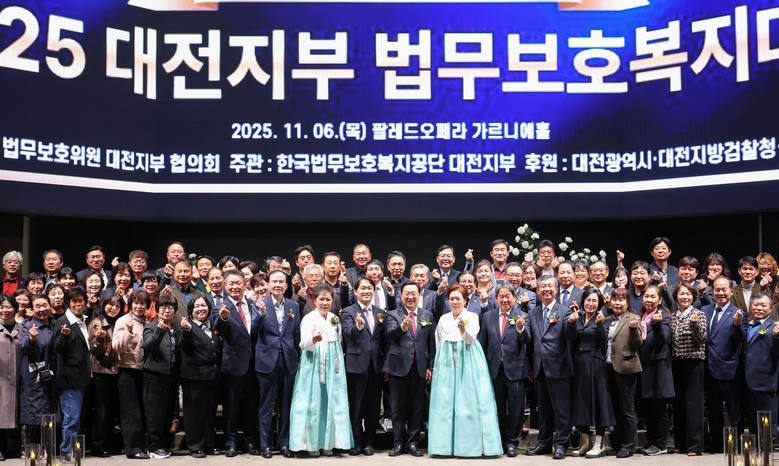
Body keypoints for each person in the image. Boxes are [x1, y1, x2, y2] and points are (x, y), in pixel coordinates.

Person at [428, 284, 502, 457]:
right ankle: (443, 446)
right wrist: (438, 364)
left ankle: (469, 446)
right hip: (446, 360)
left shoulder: (472, 317)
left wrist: (463, 330)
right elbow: (439, 341)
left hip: (468, 358)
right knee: (445, 402)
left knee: (468, 402)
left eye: (458, 299)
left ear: (465, 301)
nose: (455, 302)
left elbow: (471, 339)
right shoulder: (444, 318)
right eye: (452, 299)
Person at [289, 284, 353, 456]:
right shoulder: (309, 318)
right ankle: (311, 444)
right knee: (312, 403)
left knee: (332, 401)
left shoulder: (334, 318)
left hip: (333, 365)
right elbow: (303, 344)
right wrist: (314, 340)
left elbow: (339, 342)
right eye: (321, 299)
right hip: (313, 363)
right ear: (315, 300)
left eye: (328, 299)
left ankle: (329, 443)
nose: (325, 303)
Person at [525, 274, 576, 460]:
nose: (546, 289)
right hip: (539, 368)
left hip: (559, 367)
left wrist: (572, 323)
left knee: (562, 410)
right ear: (538, 291)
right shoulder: (532, 313)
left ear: (556, 290)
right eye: (543, 287)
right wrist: (521, 329)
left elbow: (570, 335)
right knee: (543, 410)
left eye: (550, 286)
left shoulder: (565, 311)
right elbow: (529, 340)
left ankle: (561, 444)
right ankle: (544, 443)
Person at [383, 281, 435, 457]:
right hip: (398, 368)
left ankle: (413, 443)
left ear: (419, 295)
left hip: (419, 368)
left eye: (414, 293)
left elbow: (431, 343)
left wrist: (430, 366)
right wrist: (403, 327)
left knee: (417, 408)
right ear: (401, 295)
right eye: (407, 293)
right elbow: (390, 335)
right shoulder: (393, 314)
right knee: (397, 408)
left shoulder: (427, 315)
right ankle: (398, 443)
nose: (411, 297)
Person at [478, 284, 530, 457]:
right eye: (501, 296)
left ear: (514, 298)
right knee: (497, 408)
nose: (505, 299)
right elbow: (482, 343)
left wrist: (521, 329)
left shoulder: (522, 315)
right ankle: (499, 440)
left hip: (515, 370)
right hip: (494, 370)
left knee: (516, 409)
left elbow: (527, 340)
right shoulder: (488, 316)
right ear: (496, 298)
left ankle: (512, 442)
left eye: (508, 296)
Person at [213, 269, 261, 457]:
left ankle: (250, 442)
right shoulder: (221, 307)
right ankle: (231, 443)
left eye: (238, 283)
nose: (234, 286)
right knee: (231, 407)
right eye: (231, 283)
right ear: (225, 286)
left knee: (251, 405)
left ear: (244, 284)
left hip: (254, 364)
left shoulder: (253, 304)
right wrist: (223, 318)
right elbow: (217, 329)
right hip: (233, 364)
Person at [257, 269, 301, 458]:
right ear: (268, 284)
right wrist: (259, 314)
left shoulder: (293, 306)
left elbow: (296, 334)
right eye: (274, 281)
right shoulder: (260, 303)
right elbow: (253, 330)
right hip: (266, 360)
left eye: (281, 282)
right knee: (266, 405)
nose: (277, 285)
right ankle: (265, 445)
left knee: (286, 405)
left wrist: (298, 358)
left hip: (288, 360)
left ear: (286, 285)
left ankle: (284, 443)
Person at [341, 278, 385, 456]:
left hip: (375, 366)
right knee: (356, 406)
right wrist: (357, 327)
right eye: (363, 288)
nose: (366, 291)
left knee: (373, 407)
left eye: (369, 288)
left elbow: (383, 340)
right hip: (356, 366)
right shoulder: (348, 311)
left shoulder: (380, 313)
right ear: (356, 291)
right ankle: (356, 441)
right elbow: (347, 333)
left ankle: (369, 442)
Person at [702, 277, 745, 452]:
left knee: (734, 409)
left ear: (731, 292)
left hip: (729, 369)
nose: (720, 293)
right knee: (713, 409)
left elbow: (740, 340)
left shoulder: (738, 313)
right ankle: (717, 443)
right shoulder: (705, 310)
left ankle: (735, 443)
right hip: (708, 368)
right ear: (712, 291)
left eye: (724, 289)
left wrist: (737, 325)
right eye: (717, 289)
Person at [570, 288, 614, 458]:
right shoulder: (578, 317)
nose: (591, 303)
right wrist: (571, 323)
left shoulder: (603, 318)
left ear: (599, 303)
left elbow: (605, 341)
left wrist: (599, 326)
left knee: (599, 401)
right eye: (588, 300)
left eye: (594, 301)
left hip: (595, 363)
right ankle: (585, 442)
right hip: (579, 363)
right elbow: (570, 338)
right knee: (581, 401)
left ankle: (599, 443)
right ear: (583, 301)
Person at [179, 296, 222, 458]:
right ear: (191, 310)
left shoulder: (213, 326)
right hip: (194, 377)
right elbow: (184, 344)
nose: (200, 309)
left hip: (212, 376)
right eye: (196, 306)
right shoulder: (187, 326)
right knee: (194, 413)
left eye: (203, 305)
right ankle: (195, 446)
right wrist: (186, 330)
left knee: (209, 412)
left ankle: (209, 444)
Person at [52, 286, 92, 460]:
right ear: (68, 303)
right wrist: (65, 336)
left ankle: (73, 449)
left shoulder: (83, 320)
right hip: (70, 378)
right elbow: (57, 348)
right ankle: (66, 450)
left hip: (84, 377)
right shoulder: (63, 322)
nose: (78, 304)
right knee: (72, 417)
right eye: (74, 301)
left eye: (80, 301)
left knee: (78, 417)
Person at [603, 287, 642, 458]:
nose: (617, 303)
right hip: (609, 367)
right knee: (615, 408)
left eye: (621, 300)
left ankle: (629, 445)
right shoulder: (608, 319)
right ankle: (617, 444)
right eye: (615, 300)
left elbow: (637, 344)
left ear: (627, 303)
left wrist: (633, 330)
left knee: (627, 409)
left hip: (626, 368)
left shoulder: (632, 318)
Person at [112, 289, 150, 459]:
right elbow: (116, 347)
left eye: (142, 303)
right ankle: (133, 448)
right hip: (127, 371)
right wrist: (128, 332)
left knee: (142, 411)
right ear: (130, 304)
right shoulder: (123, 320)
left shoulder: (147, 322)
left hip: (144, 371)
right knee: (131, 412)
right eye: (136, 303)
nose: (139, 306)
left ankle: (142, 446)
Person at [670, 283, 707, 456]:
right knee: (678, 405)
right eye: (681, 294)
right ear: (676, 297)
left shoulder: (699, 314)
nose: (685, 297)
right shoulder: (673, 316)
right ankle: (680, 443)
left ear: (693, 297)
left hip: (694, 363)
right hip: (676, 363)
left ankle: (695, 445)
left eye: (688, 294)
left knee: (694, 405)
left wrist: (694, 325)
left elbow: (702, 339)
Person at [637, 285, 674, 456]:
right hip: (645, 368)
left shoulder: (663, 316)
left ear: (659, 300)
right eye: (646, 296)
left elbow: (664, 339)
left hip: (658, 368)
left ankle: (660, 444)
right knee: (648, 409)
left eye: (653, 297)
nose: (649, 300)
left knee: (659, 408)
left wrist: (657, 325)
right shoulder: (642, 316)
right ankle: (651, 441)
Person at [142, 294, 180, 459]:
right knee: (155, 414)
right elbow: (148, 346)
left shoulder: (176, 328)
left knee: (168, 412)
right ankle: (154, 447)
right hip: (155, 376)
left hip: (172, 377)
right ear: (157, 310)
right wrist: (159, 331)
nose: (167, 310)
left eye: (170, 307)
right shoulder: (151, 326)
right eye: (163, 307)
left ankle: (163, 445)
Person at [19, 295, 57, 449]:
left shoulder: (55, 324)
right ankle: (30, 449)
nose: (42, 309)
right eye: (38, 306)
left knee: (50, 413)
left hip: (52, 377)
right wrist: (32, 340)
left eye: (45, 305)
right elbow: (23, 348)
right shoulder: (28, 326)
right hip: (34, 376)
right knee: (34, 413)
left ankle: (48, 449)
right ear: (32, 309)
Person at [88, 295, 124, 457]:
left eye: (117, 305)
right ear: (103, 305)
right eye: (110, 304)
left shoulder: (120, 322)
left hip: (118, 371)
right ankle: (98, 445)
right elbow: (94, 350)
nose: (113, 308)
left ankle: (110, 444)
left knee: (112, 410)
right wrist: (100, 339)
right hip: (102, 371)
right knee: (102, 410)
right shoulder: (97, 322)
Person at [742, 292, 779, 435]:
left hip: (766, 381)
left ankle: (767, 445)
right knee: (753, 422)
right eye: (756, 305)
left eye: (763, 305)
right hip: (746, 381)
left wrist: (777, 337)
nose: (759, 308)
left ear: (770, 308)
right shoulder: (747, 325)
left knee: (767, 423)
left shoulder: (774, 327)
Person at [0, 295, 20, 461]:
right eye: (1, 307)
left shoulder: (23, 328)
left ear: (15, 309)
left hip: (19, 378)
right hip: (1, 379)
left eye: (8, 307)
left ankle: (13, 448)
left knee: (15, 414)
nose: (4, 310)